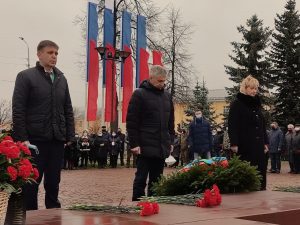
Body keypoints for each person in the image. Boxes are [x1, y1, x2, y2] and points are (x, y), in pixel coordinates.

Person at [12, 40, 75, 210]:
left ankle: (53, 215)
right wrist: (22, 138)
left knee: (54, 183)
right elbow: (18, 110)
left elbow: (67, 108)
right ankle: (30, 216)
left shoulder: (61, 78)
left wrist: (70, 136)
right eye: (50, 52)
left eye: (56, 53)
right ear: (39, 54)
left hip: (56, 140)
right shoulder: (25, 76)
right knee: (31, 184)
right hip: (34, 141)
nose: (54, 56)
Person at [126, 65, 175, 201]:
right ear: (151, 78)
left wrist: (170, 140)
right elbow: (132, 121)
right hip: (144, 145)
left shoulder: (167, 96)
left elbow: (170, 122)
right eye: (160, 81)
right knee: (141, 177)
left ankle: (154, 202)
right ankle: (138, 203)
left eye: (164, 81)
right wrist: (134, 144)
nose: (163, 84)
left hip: (160, 145)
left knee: (157, 179)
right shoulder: (139, 94)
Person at [228, 75, 269, 191]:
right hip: (245, 145)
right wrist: (234, 143)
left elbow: (262, 125)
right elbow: (232, 125)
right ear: (245, 88)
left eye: (256, 88)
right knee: (247, 171)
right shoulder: (237, 104)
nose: (254, 91)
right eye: (252, 88)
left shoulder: (257, 104)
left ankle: (261, 191)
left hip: (259, 146)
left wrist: (265, 142)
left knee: (260, 171)